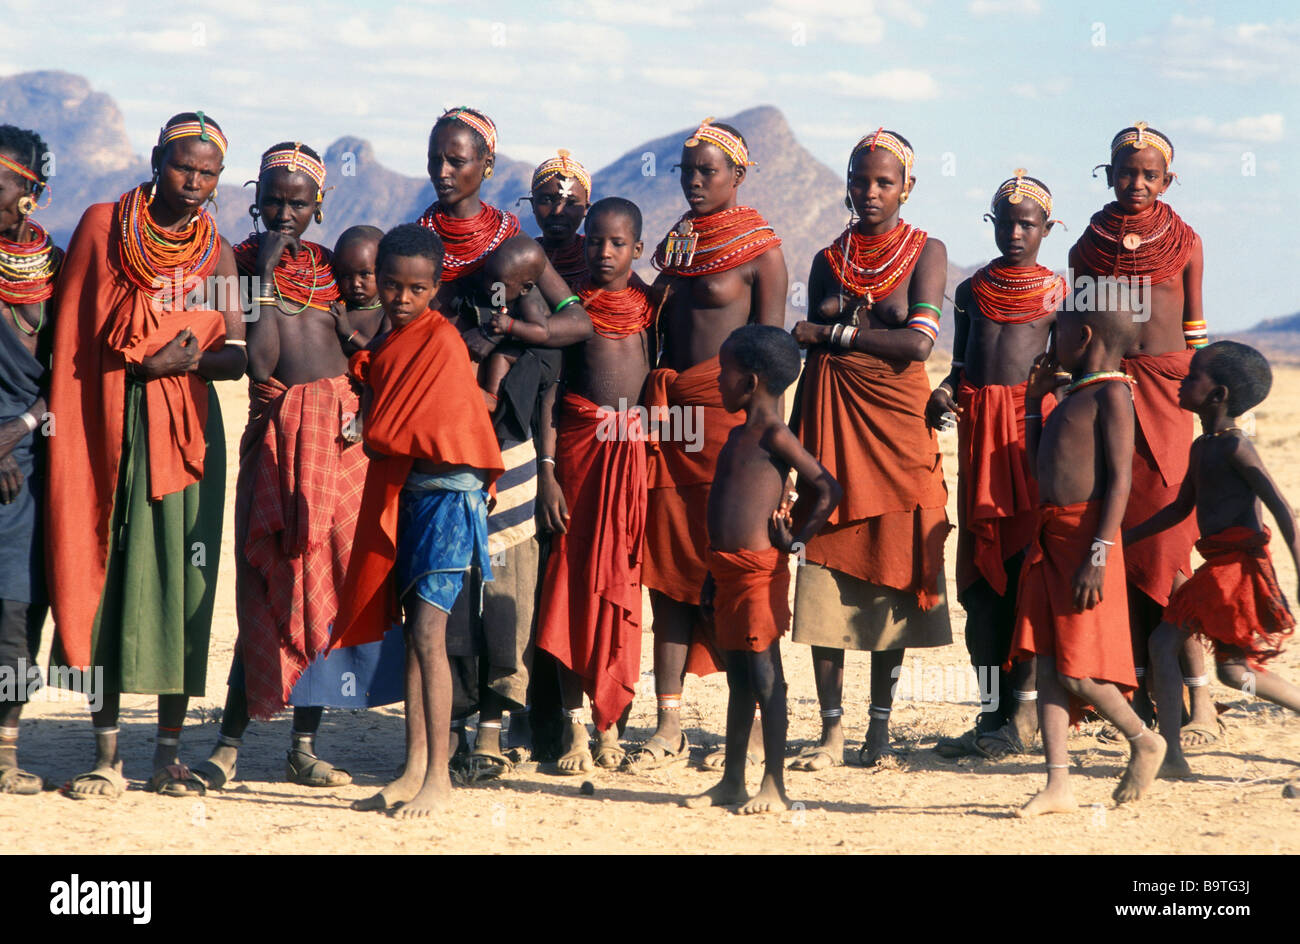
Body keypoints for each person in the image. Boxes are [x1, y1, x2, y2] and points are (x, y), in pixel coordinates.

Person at [47, 112, 246, 799]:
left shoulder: (217, 254)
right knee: (108, 567)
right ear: (158, 160)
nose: (195, 183)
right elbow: (72, 337)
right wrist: (138, 366)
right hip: (104, 422)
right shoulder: (104, 227)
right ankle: (107, 756)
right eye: (184, 166)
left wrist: (177, 364)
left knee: (177, 582)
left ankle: (167, 756)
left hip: (185, 436)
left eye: (209, 173)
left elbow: (237, 355)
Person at [418, 107, 591, 775]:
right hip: (441, 430)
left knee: (511, 573)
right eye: (436, 157)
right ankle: (451, 724)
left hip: (511, 437)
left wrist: (516, 335)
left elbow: (575, 324)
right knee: (451, 573)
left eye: (457, 160)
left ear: (486, 167)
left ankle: (494, 725)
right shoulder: (419, 239)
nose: (443, 170)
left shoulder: (515, 244)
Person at [192, 142, 364, 790]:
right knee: (265, 594)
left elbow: (364, 345)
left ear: (318, 206)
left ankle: (304, 747)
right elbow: (259, 365)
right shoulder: (233, 265)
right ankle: (229, 746)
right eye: (273, 200)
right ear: (255, 200)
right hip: (272, 443)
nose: (285, 212)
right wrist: (263, 273)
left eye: (298, 202)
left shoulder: (333, 268)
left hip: (339, 451)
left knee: (321, 599)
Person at [788, 129, 951, 771]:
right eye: (861, 180)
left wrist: (832, 330)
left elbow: (917, 344)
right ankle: (831, 733)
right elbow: (806, 358)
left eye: (885, 181)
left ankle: (879, 732)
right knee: (826, 570)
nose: (871, 192)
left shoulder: (925, 251)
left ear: (906, 186)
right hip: (831, 423)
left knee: (892, 572)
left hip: (897, 432)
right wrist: (794, 456)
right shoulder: (829, 258)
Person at [330, 223, 504, 818]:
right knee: (412, 635)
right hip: (410, 493)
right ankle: (410, 768)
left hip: (449, 502)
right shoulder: (394, 342)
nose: (402, 299)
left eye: (417, 289)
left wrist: (375, 426)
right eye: (391, 286)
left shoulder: (441, 343)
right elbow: (386, 411)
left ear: (435, 289)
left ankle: (439, 778)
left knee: (430, 635)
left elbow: (425, 428)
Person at [629, 117, 786, 772]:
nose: (694, 181)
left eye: (708, 171)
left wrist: (772, 450)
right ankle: (669, 722)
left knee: (727, 571)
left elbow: (773, 360)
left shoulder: (761, 251)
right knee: (667, 572)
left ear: (738, 177)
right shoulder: (675, 243)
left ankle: (748, 720)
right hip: (669, 424)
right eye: (686, 171)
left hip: (726, 426)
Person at [1071, 122, 1217, 749]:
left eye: (1149, 175)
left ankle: (1203, 699)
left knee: (1168, 547)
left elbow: (1196, 330)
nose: (1136, 183)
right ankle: (1137, 692)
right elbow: (1077, 331)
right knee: (1116, 538)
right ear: (1107, 172)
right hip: (1107, 394)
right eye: (1125, 172)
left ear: (1167, 180)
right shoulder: (1088, 244)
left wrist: (1209, 406)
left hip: (1167, 396)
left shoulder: (1186, 242)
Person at [1009, 304, 1165, 817]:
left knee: (1077, 671)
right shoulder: (1071, 396)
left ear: (1084, 335)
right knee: (1049, 663)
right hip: (1051, 538)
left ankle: (1143, 738)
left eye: (1057, 336)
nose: (1049, 348)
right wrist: (1034, 403)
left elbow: (1121, 479)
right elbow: (1038, 469)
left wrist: (1101, 552)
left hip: (1086, 544)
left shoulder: (1113, 394)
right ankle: (1058, 785)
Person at [930, 172, 1065, 761]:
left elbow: (1073, 369)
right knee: (981, 589)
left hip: (1029, 443)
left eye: (1027, 224)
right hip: (979, 442)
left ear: (1047, 229)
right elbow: (961, 367)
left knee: (1025, 575)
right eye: (1005, 222)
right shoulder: (970, 290)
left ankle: (1026, 714)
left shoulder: (1060, 293)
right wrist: (943, 391)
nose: (1015, 232)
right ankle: (990, 716)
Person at [1125, 341, 1299, 789]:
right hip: (1218, 565)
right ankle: (1173, 755)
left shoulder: (1235, 448)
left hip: (1237, 569)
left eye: (1191, 378)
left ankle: (1172, 754)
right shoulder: (1204, 445)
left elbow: (1280, 506)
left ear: (1218, 394)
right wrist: (1119, 540)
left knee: (1165, 644)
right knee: (1233, 671)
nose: (1181, 384)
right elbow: (1179, 508)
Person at [685, 325, 840, 813]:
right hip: (727, 570)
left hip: (757, 572)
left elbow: (827, 487)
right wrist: (711, 573)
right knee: (739, 680)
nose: (718, 382)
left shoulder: (775, 434)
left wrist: (795, 539)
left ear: (750, 382)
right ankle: (732, 781)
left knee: (766, 676)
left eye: (724, 373)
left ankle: (774, 785)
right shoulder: (738, 434)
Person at [534, 197, 653, 773]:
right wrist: (548, 472)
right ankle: (576, 730)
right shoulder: (573, 310)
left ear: (636, 247)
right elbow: (551, 395)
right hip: (579, 463)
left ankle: (612, 728)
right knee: (570, 587)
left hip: (632, 465)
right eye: (595, 241)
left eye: (617, 243)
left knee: (621, 589)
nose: (604, 252)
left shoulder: (651, 308)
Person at [0, 125, 60, 795]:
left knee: (22, 609)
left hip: (33, 461)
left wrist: (14, 432)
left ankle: (6, 749)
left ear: (29, 195)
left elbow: (65, 372)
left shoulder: (60, 266)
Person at [528, 149, 590, 287]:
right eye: (547, 200)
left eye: (571, 203)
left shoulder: (598, 258)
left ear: (586, 209)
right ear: (533, 204)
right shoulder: (522, 257)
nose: (558, 211)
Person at [332, 224, 389, 352]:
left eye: (365, 274)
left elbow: (385, 352)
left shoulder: (387, 311)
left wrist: (349, 332)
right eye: (346, 275)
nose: (356, 283)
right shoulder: (338, 308)